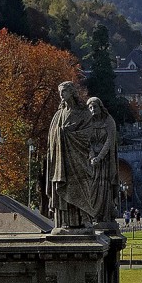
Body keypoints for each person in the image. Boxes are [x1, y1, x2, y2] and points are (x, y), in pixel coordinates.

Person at [46, 81, 94, 231]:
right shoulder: (57, 115)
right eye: (60, 92)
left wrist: (68, 133)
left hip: (77, 157)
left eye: (64, 91)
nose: (61, 95)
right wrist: (60, 133)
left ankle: (84, 218)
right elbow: (51, 138)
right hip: (61, 160)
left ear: (72, 93)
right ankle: (64, 221)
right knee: (63, 186)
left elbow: (88, 133)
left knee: (82, 187)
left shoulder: (84, 113)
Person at [86, 96, 119, 224]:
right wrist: (92, 156)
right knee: (91, 187)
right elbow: (87, 142)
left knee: (104, 186)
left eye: (94, 107)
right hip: (92, 161)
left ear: (100, 107)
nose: (92, 110)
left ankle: (104, 216)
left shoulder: (109, 121)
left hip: (105, 161)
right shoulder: (88, 123)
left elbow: (110, 141)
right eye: (90, 108)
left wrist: (99, 157)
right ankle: (92, 216)